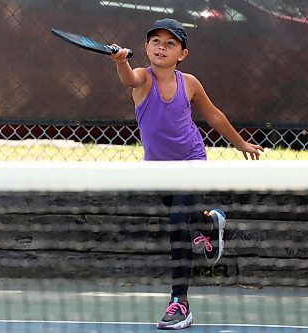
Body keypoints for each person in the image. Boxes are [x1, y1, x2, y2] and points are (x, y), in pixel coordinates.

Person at [109, 18, 263, 330]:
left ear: (182, 53)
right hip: (158, 168)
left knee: (178, 223)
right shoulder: (143, 78)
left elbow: (214, 115)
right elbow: (129, 79)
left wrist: (240, 143)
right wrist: (120, 62)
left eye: (170, 43)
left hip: (192, 158)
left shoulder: (189, 83)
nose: (161, 47)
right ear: (146, 47)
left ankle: (179, 302)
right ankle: (210, 223)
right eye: (156, 41)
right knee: (187, 216)